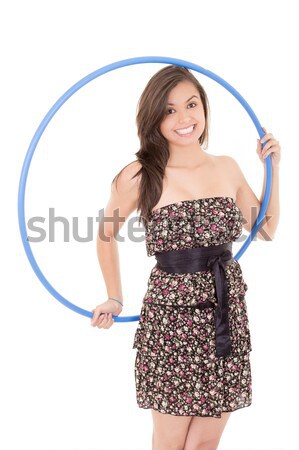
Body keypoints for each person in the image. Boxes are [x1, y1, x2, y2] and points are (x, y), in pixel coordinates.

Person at [90, 65, 281, 450]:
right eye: (170, 110)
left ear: (204, 108)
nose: (184, 118)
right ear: (154, 118)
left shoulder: (226, 166)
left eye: (191, 104)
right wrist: (114, 297)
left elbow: (265, 228)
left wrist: (273, 169)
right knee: (171, 441)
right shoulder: (141, 175)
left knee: (204, 443)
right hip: (172, 323)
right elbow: (106, 232)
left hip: (225, 314)